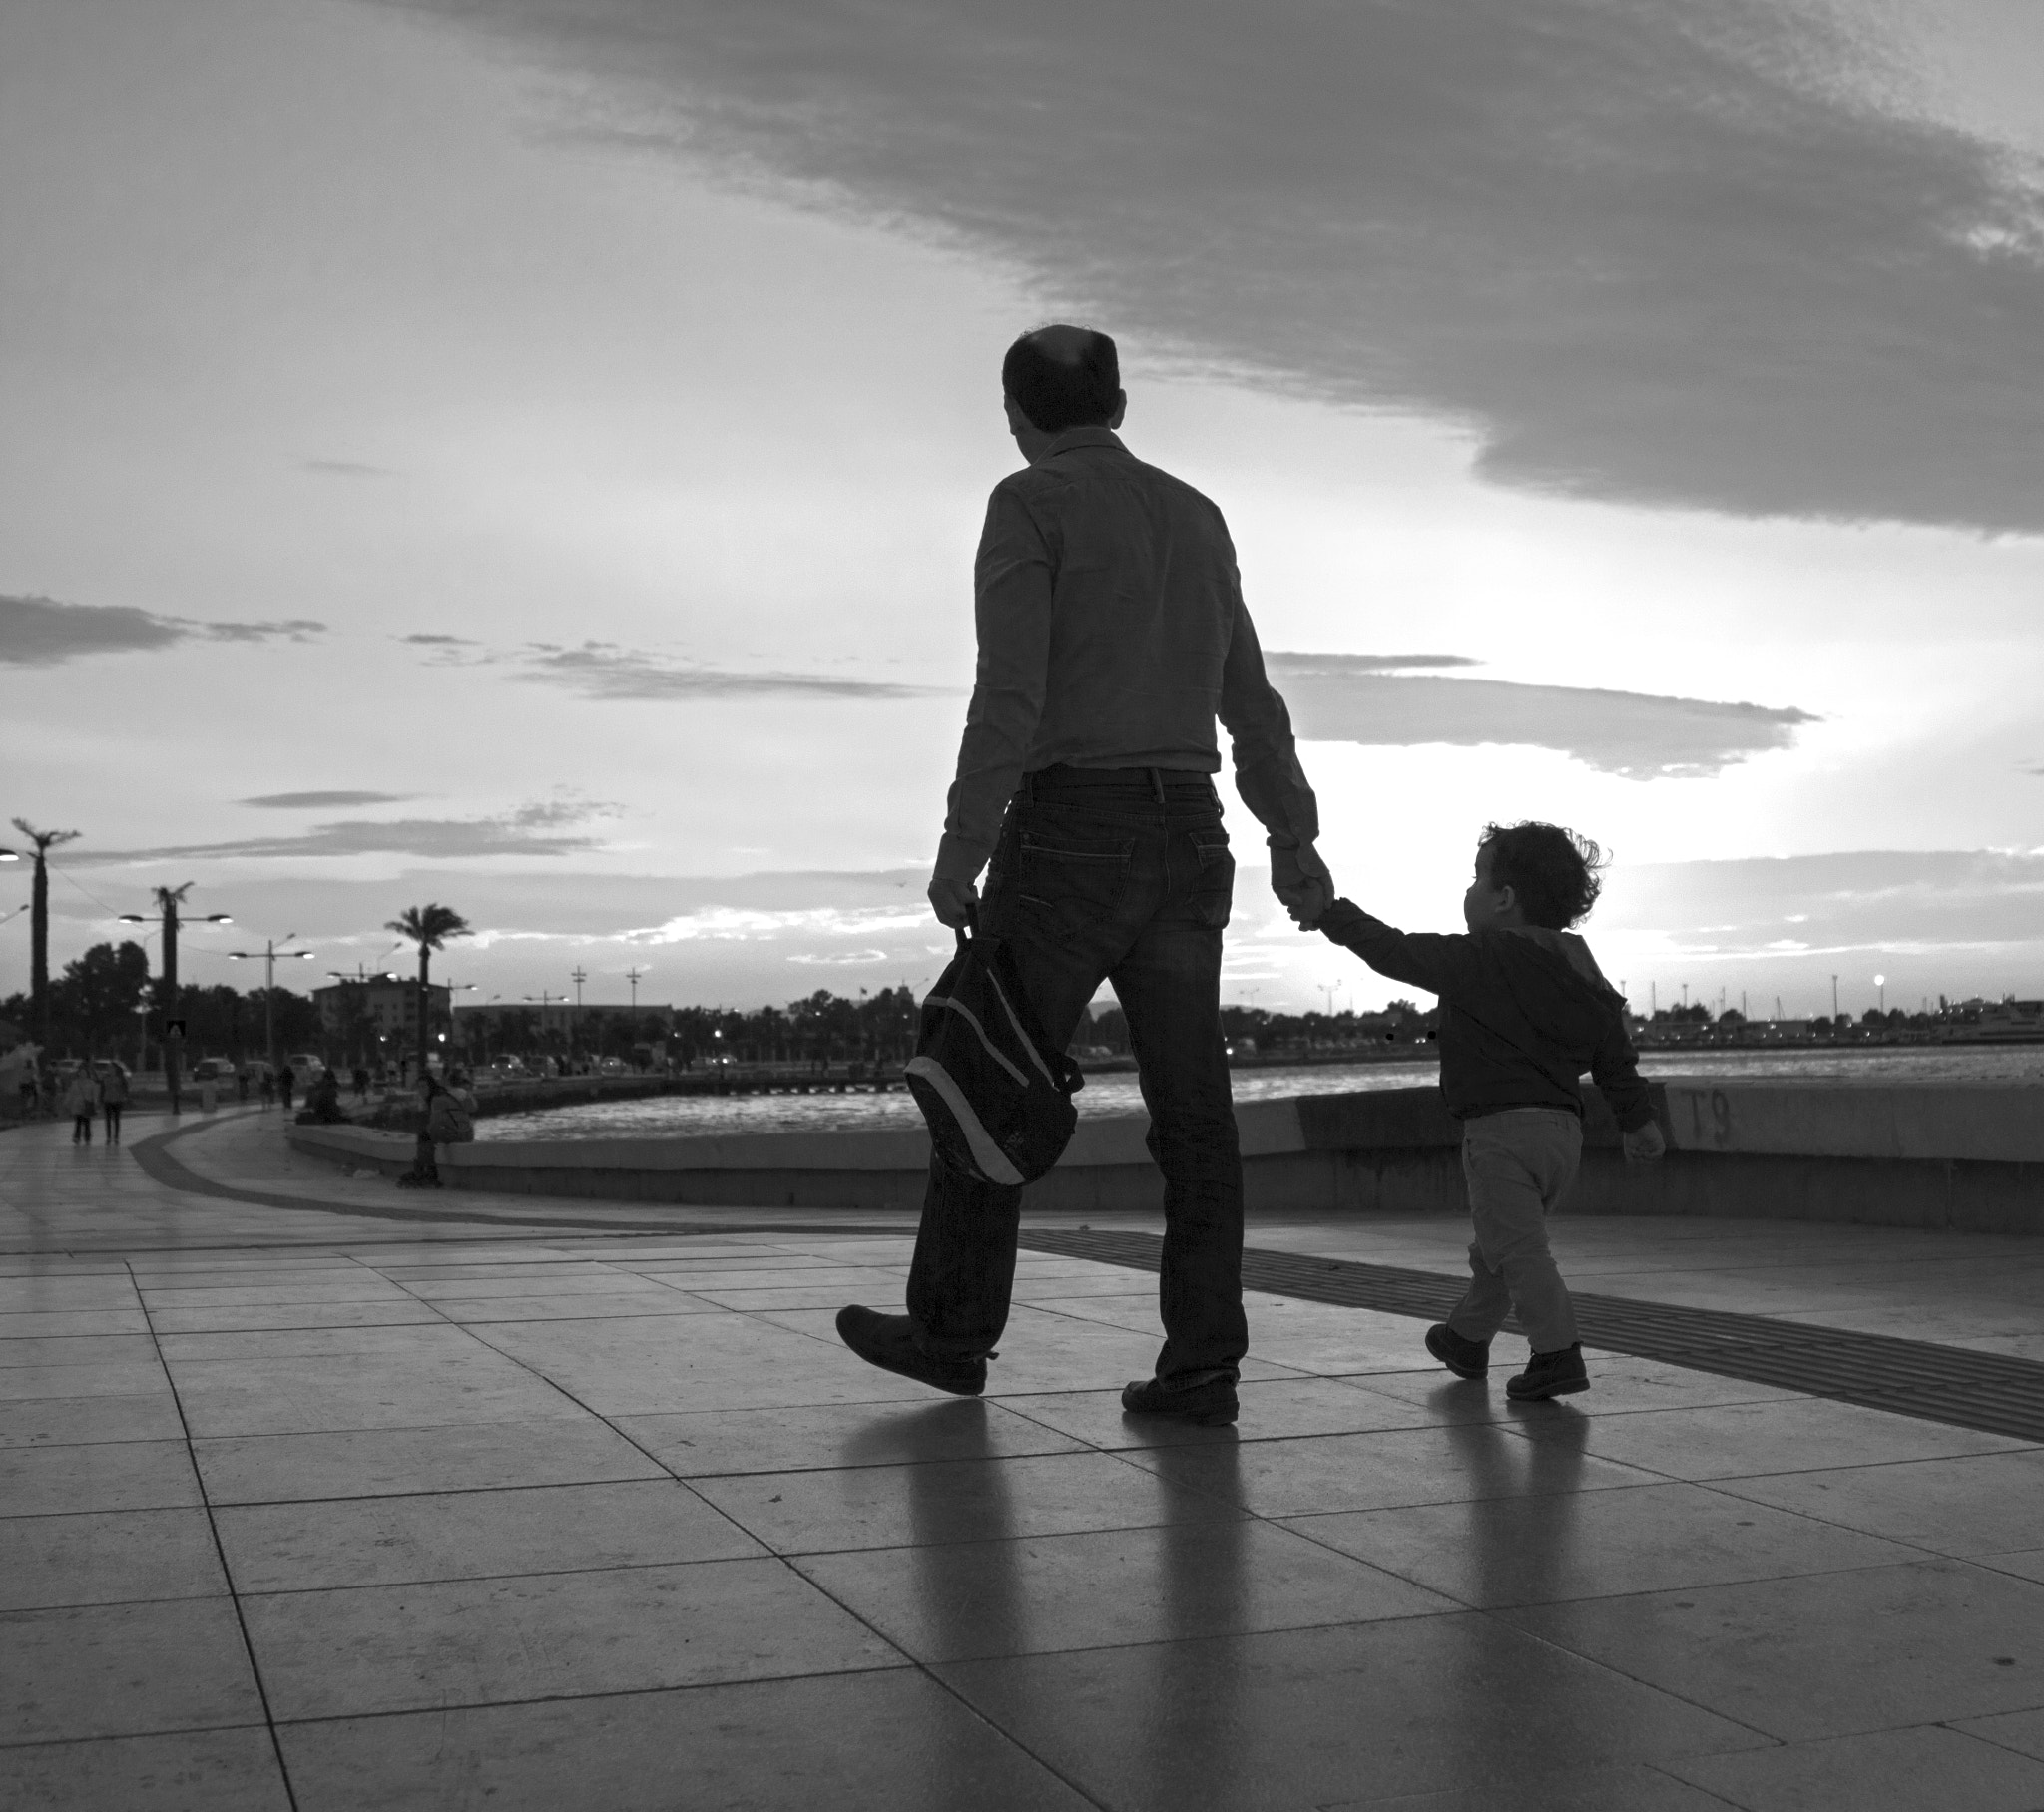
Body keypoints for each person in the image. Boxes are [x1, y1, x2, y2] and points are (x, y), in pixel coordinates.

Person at [834, 324, 1331, 1429]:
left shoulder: (1029, 505)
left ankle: (953, 1333)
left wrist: (962, 847)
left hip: (1071, 833)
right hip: (1191, 833)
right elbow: (1248, 697)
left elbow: (1006, 692)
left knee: (984, 1072)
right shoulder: (1196, 515)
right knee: (1193, 1117)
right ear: (1117, 402)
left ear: (1016, 414)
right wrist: (1293, 837)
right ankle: (1201, 1364)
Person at [1298, 821, 1666, 1401]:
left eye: (1477, 877)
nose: (1468, 890)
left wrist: (1330, 913)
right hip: (1561, 1136)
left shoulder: (1479, 957)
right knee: (1502, 1243)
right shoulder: (1581, 969)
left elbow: (1392, 949)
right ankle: (1467, 1338)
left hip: (1499, 1133)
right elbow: (1614, 1056)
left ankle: (1557, 1353)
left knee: (1518, 1248)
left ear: (1504, 899)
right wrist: (1637, 1121)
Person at [62, 1068, 95, 1144]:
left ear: (87, 1073)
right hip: (77, 1104)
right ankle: (77, 1137)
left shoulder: (91, 1083)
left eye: (84, 1072)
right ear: (78, 1073)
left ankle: (87, 1137)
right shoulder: (74, 1083)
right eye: (81, 1072)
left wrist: (94, 1101)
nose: (83, 1074)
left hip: (87, 1104)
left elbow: (94, 1093)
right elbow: (70, 1093)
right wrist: (67, 1102)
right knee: (78, 1121)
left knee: (87, 1121)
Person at [100, 1062, 129, 1143]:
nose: (110, 1069)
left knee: (116, 1119)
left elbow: (125, 1088)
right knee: (108, 1119)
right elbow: (102, 1089)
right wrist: (100, 1099)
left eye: (111, 1067)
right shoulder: (105, 1078)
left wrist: (125, 1096)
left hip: (117, 1100)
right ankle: (108, 1137)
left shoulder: (120, 1078)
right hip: (107, 1100)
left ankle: (116, 1137)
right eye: (108, 1068)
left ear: (115, 1068)